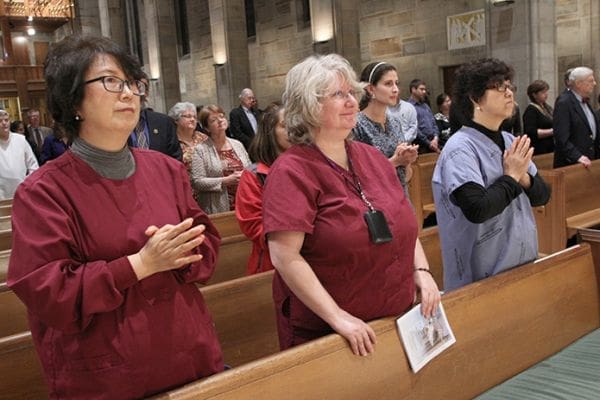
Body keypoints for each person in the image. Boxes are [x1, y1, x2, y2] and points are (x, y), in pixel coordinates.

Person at [7, 36, 223, 398]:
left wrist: (185, 249)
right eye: (110, 81)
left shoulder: (166, 170)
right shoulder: (42, 192)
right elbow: (51, 294)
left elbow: (208, 246)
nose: (128, 94)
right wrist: (140, 263)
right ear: (73, 100)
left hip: (189, 355)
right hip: (108, 376)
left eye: (132, 84)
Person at [263, 54, 440, 356]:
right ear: (308, 105)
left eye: (351, 94)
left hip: (396, 318)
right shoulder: (292, 171)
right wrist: (338, 317)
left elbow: (402, 221)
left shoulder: (371, 158)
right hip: (334, 334)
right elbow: (285, 257)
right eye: (338, 95)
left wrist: (421, 271)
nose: (351, 102)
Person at [432, 58, 550, 291]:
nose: (509, 93)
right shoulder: (460, 148)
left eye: (510, 86)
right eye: (499, 86)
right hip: (481, 276)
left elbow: (542, 195)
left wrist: (522, 177)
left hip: (522, 263)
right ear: (475, 98)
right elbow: (478, 209)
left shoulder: (509, 141)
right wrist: (512, 177)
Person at [235, 103, 290, 275]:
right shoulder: (254, 175)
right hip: (272, 264)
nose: (294, 130)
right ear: (270, 132)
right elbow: (254, 226)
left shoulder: (311, 168)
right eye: (284, 125)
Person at [353, 61, 418, 194]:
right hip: (377, 203)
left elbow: (405, 177)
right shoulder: (356, 125)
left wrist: (406, 161)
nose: (395, 89)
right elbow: (360, 178)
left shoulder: (395, 122)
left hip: (401, 199)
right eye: (388, 84)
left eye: (396, 83)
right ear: (371, 89)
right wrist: (395, 161)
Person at [191, 104, 251, 214]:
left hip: (243, 202)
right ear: (207, 128)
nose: (220, 120)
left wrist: (245, 174)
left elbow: (250, 169)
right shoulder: (201, 149)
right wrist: (225, 181)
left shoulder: (237, 144)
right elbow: (197, 181)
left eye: (221, 116)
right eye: (214, 120)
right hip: (217, 206)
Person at [553, 66, 600, 168]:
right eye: (591, 81)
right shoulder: (564, 103)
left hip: (590, 161)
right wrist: (578, 156)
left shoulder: (585, 101)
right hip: (572, 164)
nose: (595, 84)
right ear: (578, 83)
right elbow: (561, 137)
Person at [168, 101, 208, 204]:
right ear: (176, 120)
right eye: (188, 116)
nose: (192, 119)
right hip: (185, 193)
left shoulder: (203, 138)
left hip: (207, 190)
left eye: (194, 117)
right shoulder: (171, 141)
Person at [0, 109, 38, 199]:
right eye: (0, 121)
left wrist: (27, 183)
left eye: (6, 120)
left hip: (23, 190)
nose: (4, 123)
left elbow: (33, 166)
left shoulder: (20, 140)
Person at [522, 80, 554, 155]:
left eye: (546, 92)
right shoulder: (531, 110)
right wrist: (552, 131)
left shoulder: (547, 107)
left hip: (550, 147)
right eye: (543, 92)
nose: (546, 94)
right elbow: (531, 132)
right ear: (534, 95)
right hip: (539, 148)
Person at [408, 79, 440, 153]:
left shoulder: (425, 106)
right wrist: (429, 143)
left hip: (434, 142)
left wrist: (435, 138)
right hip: (421, 146)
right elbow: (415, 129)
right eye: (421, 89)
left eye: (425, 89)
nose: (424, 92)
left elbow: (434, 123)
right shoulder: (408, 107)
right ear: (413, 89)